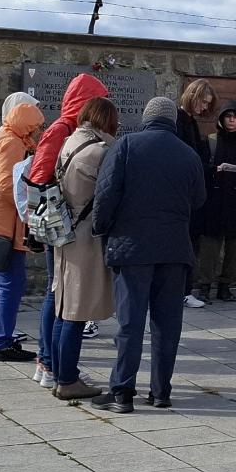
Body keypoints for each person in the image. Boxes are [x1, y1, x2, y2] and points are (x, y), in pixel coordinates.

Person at [91, 97, 206, 414]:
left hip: (133, 249)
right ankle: (161, 392)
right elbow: (199, 200)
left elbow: (106, 193)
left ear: (146, 118)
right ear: (172, 121)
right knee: (167, 324)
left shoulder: (127, 146)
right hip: (174, 249)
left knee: (130, 323)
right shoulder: (189, 154)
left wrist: (102, 230)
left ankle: (123, 393)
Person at [38, 97, 117, 400]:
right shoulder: (100, 151)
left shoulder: (70, 142)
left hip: (63, 232)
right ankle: (68, 379)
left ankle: (59, 374)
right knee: (76, 311)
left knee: (62, 307)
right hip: (85, 237)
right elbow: (108, 198)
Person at [29, 73, 111, 354]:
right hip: (61, 223)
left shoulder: (69, 130)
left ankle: (50, 360)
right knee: (57, 293)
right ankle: (47, 358)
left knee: (60, 292)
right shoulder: (61, 129)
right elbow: (39, 178)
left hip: (64, 221)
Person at [0, 93, 44, 362]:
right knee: (11, 282)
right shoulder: (11, 142)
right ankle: (2, 342)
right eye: (34, 119)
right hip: (6, 224)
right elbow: (6, 187)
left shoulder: (1, 137)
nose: (37, 127)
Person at [197, 100, 236, 303]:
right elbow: (201, 170)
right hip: (214, 203)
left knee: (233, 250)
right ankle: (204, 286)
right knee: (209, 250)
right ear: (222, 119)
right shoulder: (210, 141)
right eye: (228, 116)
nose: (232, 120)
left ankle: (225, 286)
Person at [176, 79, 218, 307]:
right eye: (203, 102)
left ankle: (185, 289)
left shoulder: (191, 123)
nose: (204, 108)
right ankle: (181, 291)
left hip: (192, 195)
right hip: (183, 196)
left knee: (192, 244)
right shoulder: (179, 121)